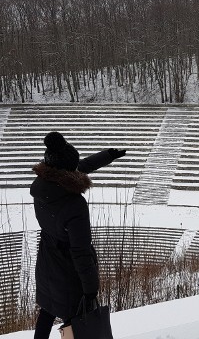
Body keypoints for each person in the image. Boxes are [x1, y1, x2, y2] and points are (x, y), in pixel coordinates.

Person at [30, 131, 125, 339]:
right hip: (68, 272)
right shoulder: (74, 205)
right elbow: (80, 252)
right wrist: (91, 289)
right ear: (67, 172)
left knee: (47, 310)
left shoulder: (43, 185)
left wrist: (107, 155)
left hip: (47, 262)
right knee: (77, 321)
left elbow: (80, 168)